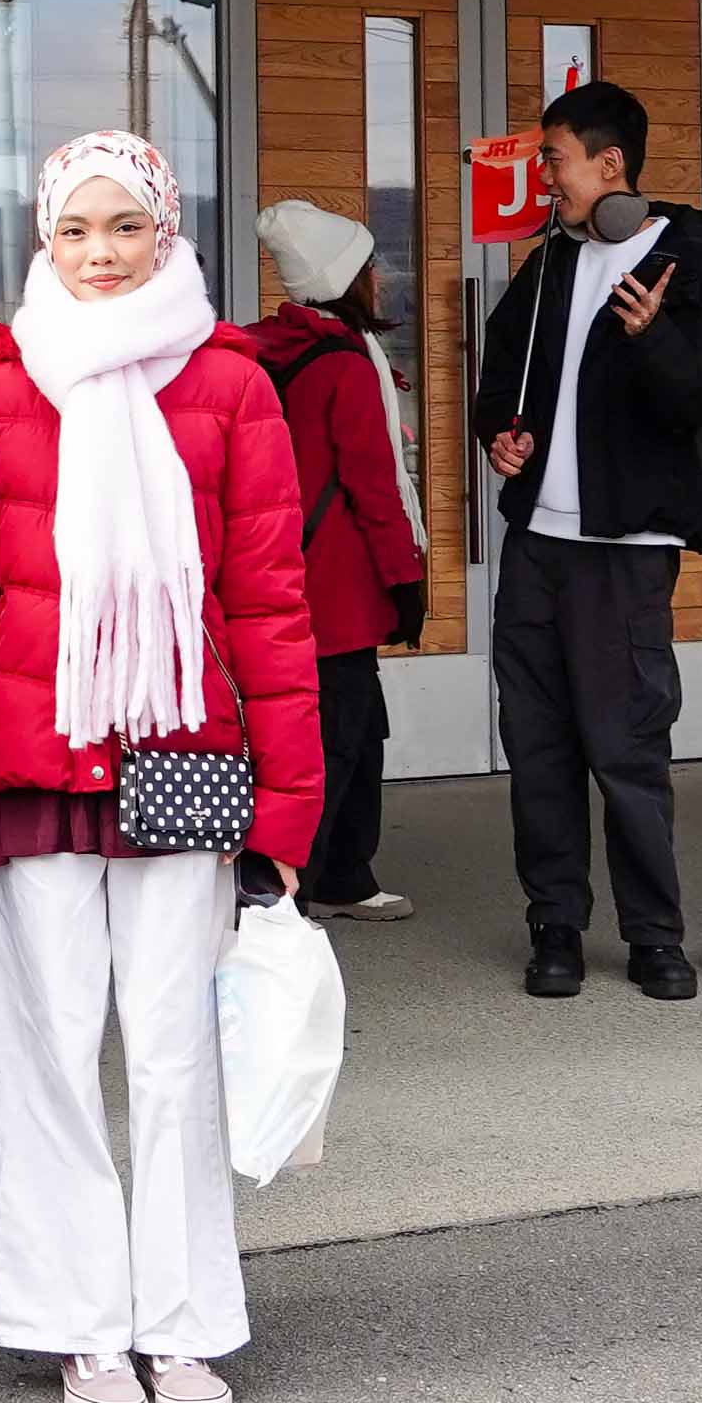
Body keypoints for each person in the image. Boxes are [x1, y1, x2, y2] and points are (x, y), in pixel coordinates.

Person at [0, 135, 324, 1403]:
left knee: (179, 1059)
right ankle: (82, 1325)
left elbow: (272, 607)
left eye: (124, 226)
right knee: (50, 1060)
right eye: (74, 228)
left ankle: (183, 1326)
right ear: (43, 239)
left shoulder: (231, 384)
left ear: (167, 233)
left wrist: (289, 808)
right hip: (37, 771)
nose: (99, 252)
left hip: (184, 768)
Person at [469, 76, 702, 1000]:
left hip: (626, 551)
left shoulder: (690, 263)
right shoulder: (551, 262)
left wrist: (653, 335)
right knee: (538, 745)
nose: (547, 177)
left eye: (555, 159)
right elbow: (501, 375)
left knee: (627, 751)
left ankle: (654, 936)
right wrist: (500, 434)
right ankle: (555, 927)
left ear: (610, 162)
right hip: (535, 545)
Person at [245, 199, 430, 921]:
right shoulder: (346, 364)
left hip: (279, 573)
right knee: (338, 737)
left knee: (346, 726)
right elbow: (374, 487)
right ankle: (297, 886)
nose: (379, 278)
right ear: (346, 278)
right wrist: (405, 580)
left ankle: (345, 873)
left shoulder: (269, 349)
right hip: (339, 588)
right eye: (369, 266)